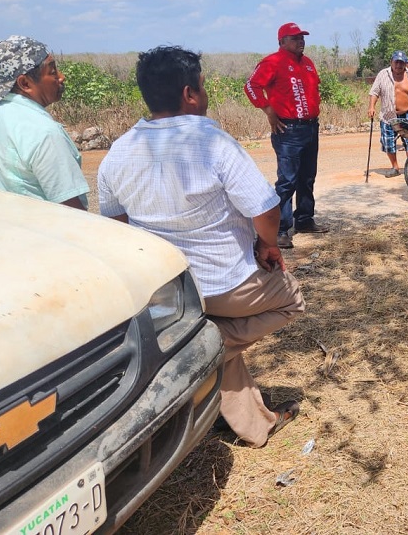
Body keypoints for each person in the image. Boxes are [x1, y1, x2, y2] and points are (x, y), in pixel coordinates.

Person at [99, 46, 306, 448]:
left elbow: (118, 228)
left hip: (167, 294)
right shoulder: (212, 141)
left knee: (209, 328)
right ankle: (195, 353)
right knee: (291, 301)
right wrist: (268, 246)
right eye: (204, 87)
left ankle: (254, 424)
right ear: (190, 94)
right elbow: (266, 209)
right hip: (225, 284)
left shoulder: (118, 151)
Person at [0, 35, 88, 209]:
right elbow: (72, 211)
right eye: (52, 71)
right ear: (25, 83)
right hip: (36, 234)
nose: (61, 77)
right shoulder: (43, 131)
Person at [245, 22, 328, 250]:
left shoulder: (308, 63)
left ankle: (304, 219)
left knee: (307, 177)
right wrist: (268, 110)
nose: (301, 41)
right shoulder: (272, 62)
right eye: (295, 38)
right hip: (288, 130)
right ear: (282, 42)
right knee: (287, 181)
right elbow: (251, 86)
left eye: (302, 38)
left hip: (311, 127)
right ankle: (280, 230)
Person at [368, 50, 408, 177]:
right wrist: (371, 107)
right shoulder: (383, 75)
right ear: (391, 62)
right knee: (388, 142)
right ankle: (395, 167)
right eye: (396, 62)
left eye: (401, 63)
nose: (398, 65)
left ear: (405, 64)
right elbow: (374, 92)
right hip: (388, 115)